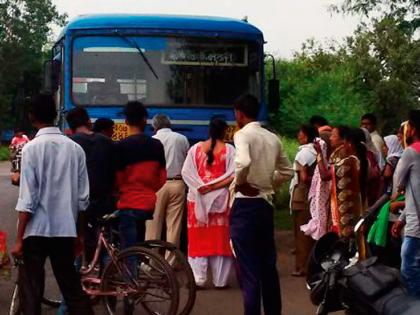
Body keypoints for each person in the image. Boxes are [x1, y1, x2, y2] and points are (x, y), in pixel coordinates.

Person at [10, 94, 93, 315]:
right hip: (65, 230)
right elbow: (82, 200)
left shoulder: (31, 149)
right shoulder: (75, 149)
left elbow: (28, 200)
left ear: (31, 117)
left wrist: (19, 239)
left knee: (32, 290)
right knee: (72, 289)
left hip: (36, 232)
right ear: (56, 115)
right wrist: (80, 235)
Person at [230, 94, 293, 315]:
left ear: (239, 113)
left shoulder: (242, 134)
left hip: (244, 207)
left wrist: (240, 183)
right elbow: (288, 171)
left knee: (249, 270)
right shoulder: (272, 138)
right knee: (268, 266)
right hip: (265, 205)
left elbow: (244, 161)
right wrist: (268, 184)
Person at [181, 117, 235, 288]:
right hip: (221, 202)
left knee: (198, 239)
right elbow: (233, 175)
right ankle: (220, 280)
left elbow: (186, 172)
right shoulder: (229, 150)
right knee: (220, 239)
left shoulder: (195, 149)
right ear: (224, 131)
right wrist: (214, 187)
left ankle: (199, 279)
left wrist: (202, 188)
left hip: (197, 200)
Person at [114, 101, 166, 251]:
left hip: (128, 203)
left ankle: (131, 274)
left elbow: (118, 179)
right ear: (145, 120)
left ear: (126, 122)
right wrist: (148, 191)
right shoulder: (156, 145)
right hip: (148, 204)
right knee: (138, 244)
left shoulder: (121, 146)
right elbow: (162, 177)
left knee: (128, 249)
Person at [66, 107, 116, 263]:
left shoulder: (69, 144)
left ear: (70, 126)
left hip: (77, 205)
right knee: (106, 241)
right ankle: (106, 279)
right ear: (88, 122)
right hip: (105, 202)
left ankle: (75, 281)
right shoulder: (107, 142)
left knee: (76, 245)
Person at [146, 114, 190, 249]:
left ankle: (151, 261)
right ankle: (171, 262)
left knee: (153, 224)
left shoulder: (152, 141)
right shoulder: (182, 139)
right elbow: (188, 161)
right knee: (174, 226)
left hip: (157, 186)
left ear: (154, 127)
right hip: (178, 184)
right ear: (170, 125)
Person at [391, 110, 420, 298]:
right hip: (411, 219)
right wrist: (402, 218)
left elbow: (397, 187)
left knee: (409, 268)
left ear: (413, 129)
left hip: (416, 227)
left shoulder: (411, 152)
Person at [289, 125, 318, 277]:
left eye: (300, 135)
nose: (298, 138)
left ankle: (301, 267)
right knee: (311, 231)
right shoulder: (316, 151)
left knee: (301, 233)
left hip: (301, 196)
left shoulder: (303, 154)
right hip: (314, 196)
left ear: (306, 137)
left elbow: (303, 178)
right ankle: (311, 264)